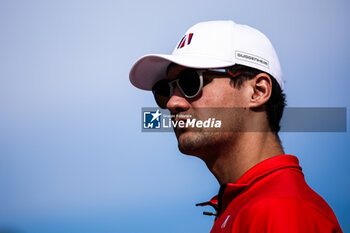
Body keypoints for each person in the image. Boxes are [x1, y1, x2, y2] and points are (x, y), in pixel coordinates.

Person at [129, 20, 343, 233]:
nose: (172, 103)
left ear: (257, 91)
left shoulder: (284, 210)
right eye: (164, 90)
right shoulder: (245, 207)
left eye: (191, 82)